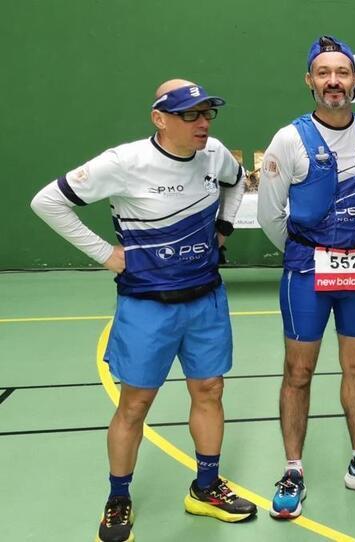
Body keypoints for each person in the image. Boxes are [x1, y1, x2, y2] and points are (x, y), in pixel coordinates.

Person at [30, 79, 255, 542]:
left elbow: (236, 182)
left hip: (206, 298)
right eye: (191, 115)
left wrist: (225, 227)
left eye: (208, 113)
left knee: (210, 390)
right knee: (135, 405)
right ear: (160, 118)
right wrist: (105, 254)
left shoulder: (214, 155)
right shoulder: (123, 162)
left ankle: (206, 487)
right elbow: (47, 202)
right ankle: (118, 497)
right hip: (146, 305)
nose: (204, 123)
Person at [257, 35, 355, 520]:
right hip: (306, 270)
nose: (333, 82)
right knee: (298, 372)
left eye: (342, 73)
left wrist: (347, 248)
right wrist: (309, 252)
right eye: (324, 73)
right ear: (310, 80)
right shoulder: (289, 138)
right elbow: (269, 214)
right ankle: (293, 469)